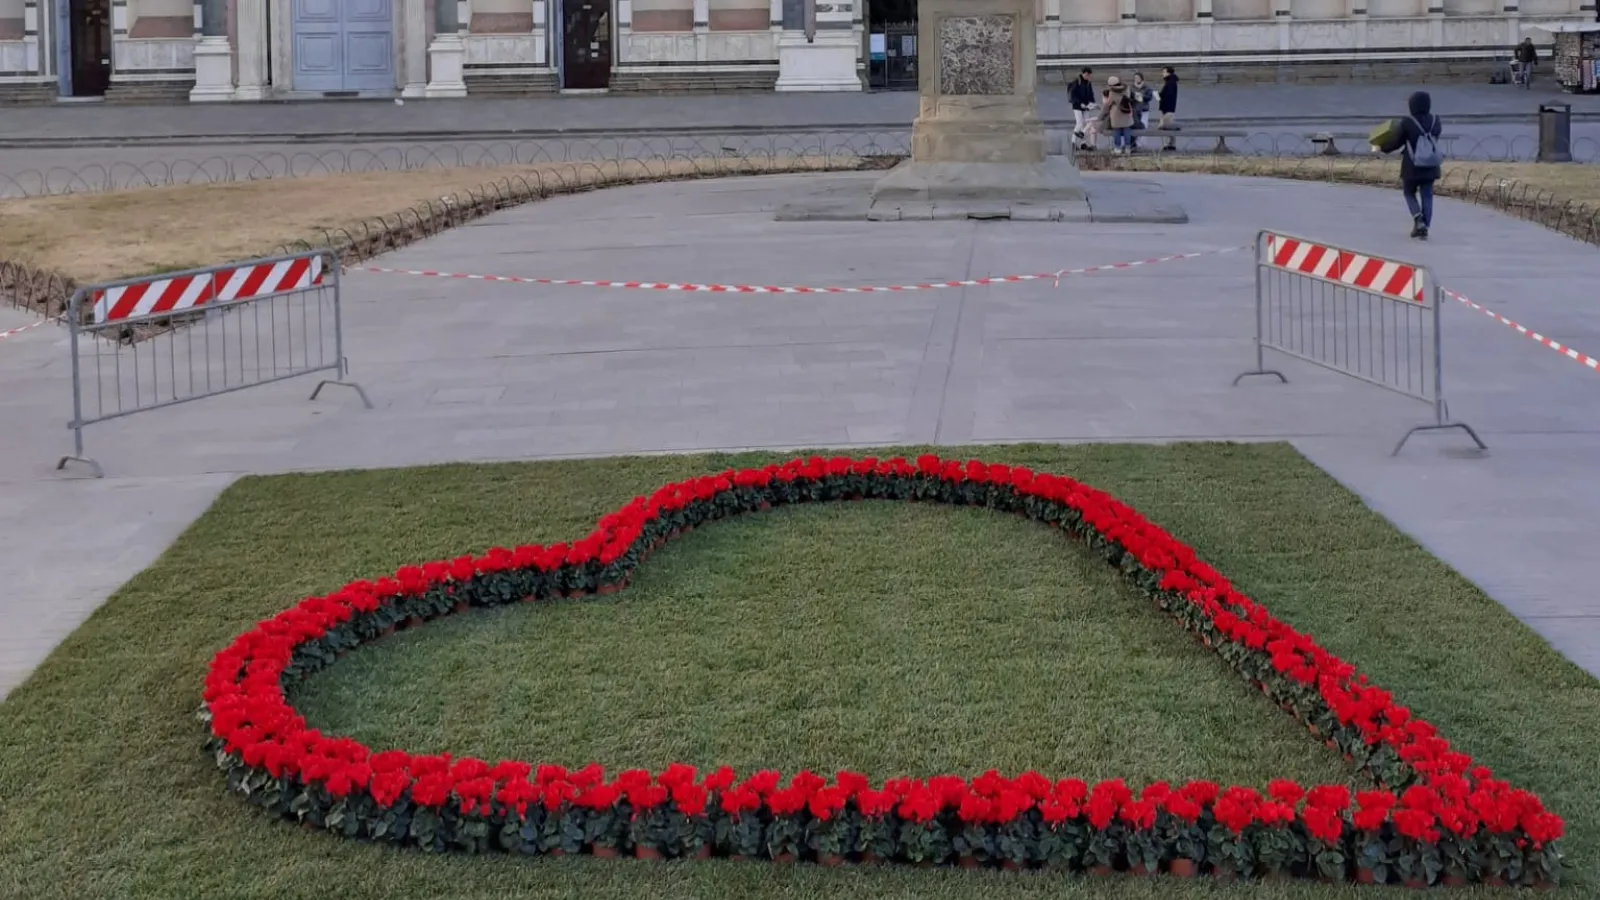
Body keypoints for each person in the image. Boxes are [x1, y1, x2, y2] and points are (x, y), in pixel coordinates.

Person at [1375, 91, 1444, 240]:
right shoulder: (1435, 120)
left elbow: (1397, 142)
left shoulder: (1407, 122)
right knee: (1427, 194)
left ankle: (1418, 219)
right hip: (1430, 165)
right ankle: (1425, 227)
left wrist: (1382, 148)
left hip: (1412, 166)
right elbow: (1435, 138)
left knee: (1408, 192)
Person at [1104, 76, 1137, 155]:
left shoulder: (1112, 92)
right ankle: (1127, 148)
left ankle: (1118, 148)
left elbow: (1108, 104)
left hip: (1116, 113)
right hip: (1126, 111)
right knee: (1127, 129)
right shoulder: (1126, 88)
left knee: (1116, 130)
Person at [1069, 68, 1097, 146]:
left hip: (1086, 106)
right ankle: (1073, 141)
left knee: (1086, 123)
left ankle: (1083, 143)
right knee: (1079, 123)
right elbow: (1073, 95)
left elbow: (1090, 93)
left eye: (1089, 75)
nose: (1088, 77)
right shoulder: (1076, 82)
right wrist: (1080, 103)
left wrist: (1092, 103)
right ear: (1083, 73)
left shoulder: (1088, 83)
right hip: (1077, 106)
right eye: (1087, 75)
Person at [1157, 66, 1180, 151]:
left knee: (1167, 127)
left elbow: (1168, 95)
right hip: (1168, 108)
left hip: (1167, 108)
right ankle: (1170, 144)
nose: (1162, 74)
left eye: (1164, 72)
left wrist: (1160, 96)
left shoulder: (1170, 83)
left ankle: (1169, 144)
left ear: (1169, 73)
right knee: (1168, 126)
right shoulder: (1170, 82)